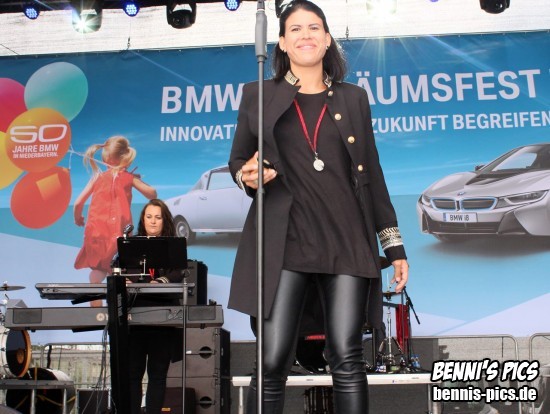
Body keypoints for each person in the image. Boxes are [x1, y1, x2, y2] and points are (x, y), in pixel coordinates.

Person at [227, 1, 409, 413]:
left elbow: (372, 174)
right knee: (271, 359)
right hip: (285, 241)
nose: (305, 35)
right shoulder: (258, 94)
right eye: (295, 29)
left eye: (314, 27)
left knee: (346, 356)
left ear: (327, 40)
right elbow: (238, 160)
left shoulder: (353, 98)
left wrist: (394, 246)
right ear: (281, 42)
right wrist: (247, 175)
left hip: (346, 240)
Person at [73, 135, 157, 306]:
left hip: (95, 232)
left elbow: (78, 203)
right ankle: (118, 313)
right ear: (125, 156)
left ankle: (96, 313)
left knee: (98, 272)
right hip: (119, 232)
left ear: (105, 158)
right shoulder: (129, 178)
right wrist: (137, 180)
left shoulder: (97, 177)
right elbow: (152, 194)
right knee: (117, 272)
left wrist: (78, 218)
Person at [127, 198, 184, 414]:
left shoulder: (173, 245)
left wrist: (160, 282)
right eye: (149, 217)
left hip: (163, 319)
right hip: (134, 318)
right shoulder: (130, 244)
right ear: (142, 219)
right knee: (132, 374)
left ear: (164, 220)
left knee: (158, 375)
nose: (152, 221)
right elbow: (120, 269)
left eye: (157, 217)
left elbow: (179, 271)